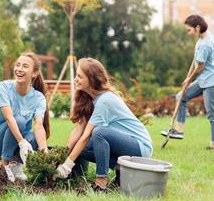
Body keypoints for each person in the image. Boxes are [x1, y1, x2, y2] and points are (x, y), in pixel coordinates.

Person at [53, 58, 153, 190]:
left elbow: (86, 136)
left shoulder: (105, 100)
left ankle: (101, 182)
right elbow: (78, 130)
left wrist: (66, 166)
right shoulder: (90, 99)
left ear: (92, 79)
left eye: (80, 76)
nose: (75, 79)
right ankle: (122, 171)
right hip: (124, 146)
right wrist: (62, 157)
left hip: (140, 147)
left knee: (99, 132)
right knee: (80, 149)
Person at [0, 52, 49, 182]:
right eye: (17, 65)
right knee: (20, 120)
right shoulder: (3, 87)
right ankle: (4, 164)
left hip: (15, 140)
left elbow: (39, 126)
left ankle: (15, 164)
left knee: (34, 138)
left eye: (25, 66)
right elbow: (9, 118)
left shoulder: (38, 98)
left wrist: (44, 152)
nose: (19, 69)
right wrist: (22, 142)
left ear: (34, 73)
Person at [161, 14, 214, 150]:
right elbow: (197, 61)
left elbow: (200, 66)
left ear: (198, 27)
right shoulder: (204, 36)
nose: (188, 32)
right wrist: (190, 72)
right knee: (180, 96)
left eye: (189, 30)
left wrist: (189, 79)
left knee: (213, 114)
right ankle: (179, 130)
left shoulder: (205, 44)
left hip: (211, 82)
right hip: (202, 80)